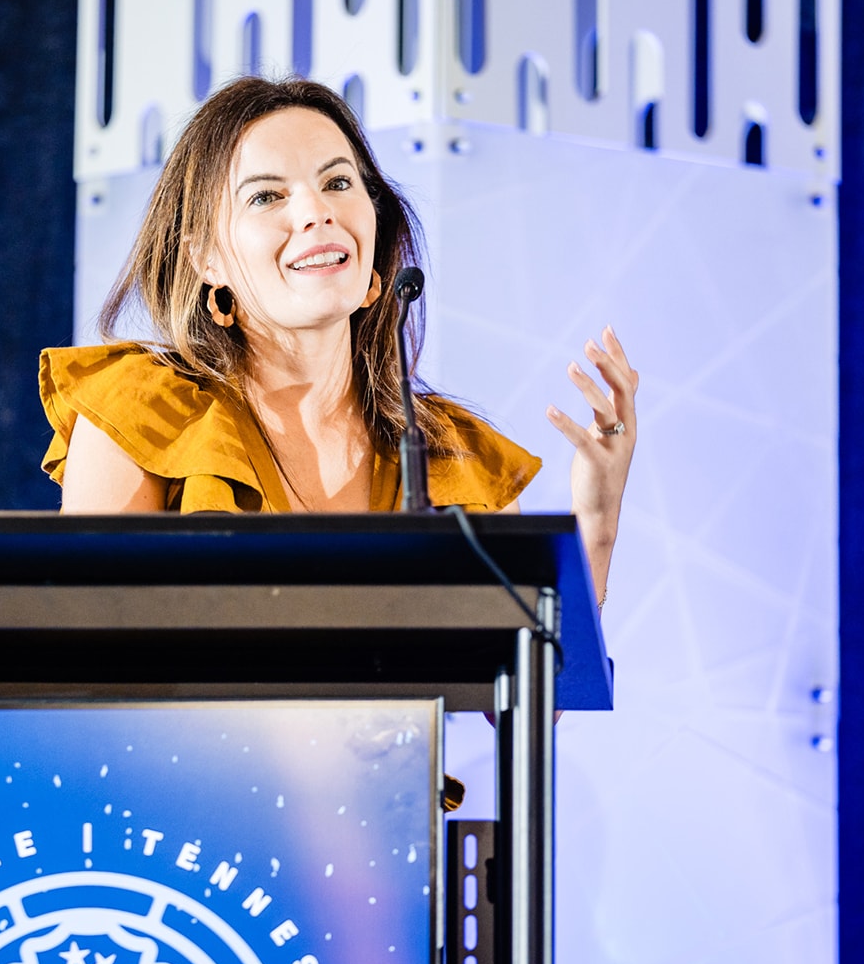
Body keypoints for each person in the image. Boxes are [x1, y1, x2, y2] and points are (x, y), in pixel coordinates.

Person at [40, 76, 638, 601]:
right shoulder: (141, 414)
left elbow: (537, 681)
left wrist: (597, 520)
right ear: (206, 259)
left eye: (338, 182)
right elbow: (81, 655)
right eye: (266, 196)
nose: (316, 211)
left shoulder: (456, 456)